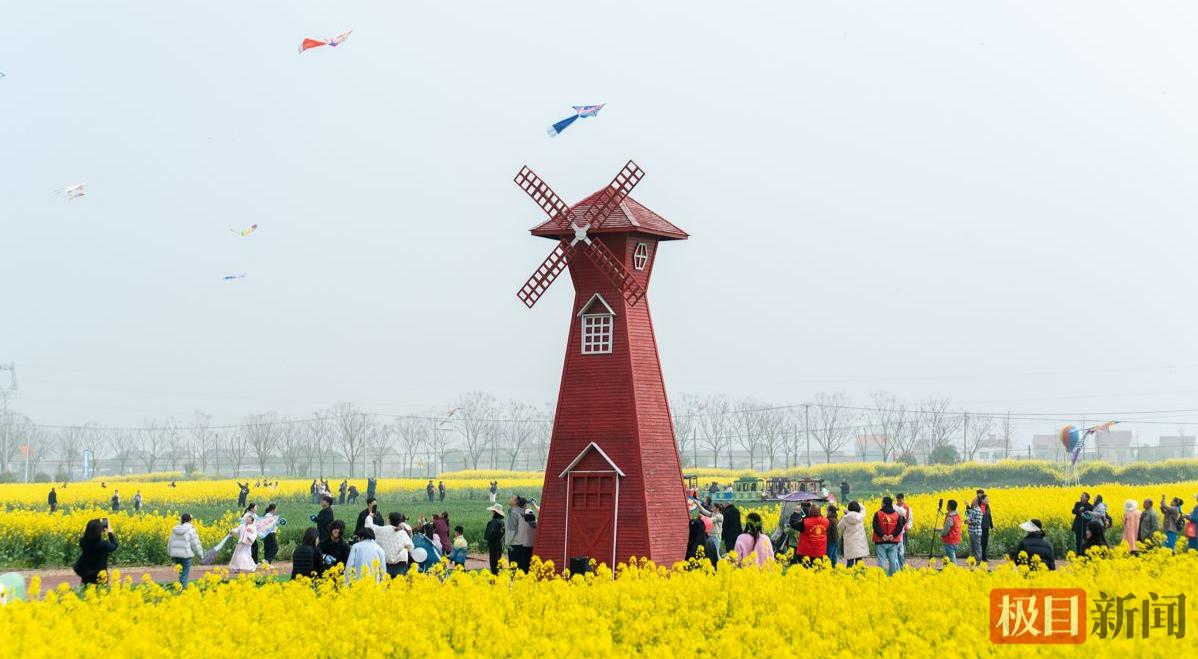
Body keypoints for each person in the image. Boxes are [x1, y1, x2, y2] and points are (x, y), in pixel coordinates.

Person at [366, 512, 415, 577]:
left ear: (389, 520)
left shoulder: (381, 530)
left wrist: (370, 516)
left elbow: (369, 526)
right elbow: (411, 548)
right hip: (400, 565)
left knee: (385, 582)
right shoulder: (402, 533)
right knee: (399, 583)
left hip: (384, 564)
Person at [75, 519, 118, 586]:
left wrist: (92, 529)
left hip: (86, 576)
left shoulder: (83, 542)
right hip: (100, 576)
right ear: (99, 531)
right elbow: (114, 545)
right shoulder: (103, 545)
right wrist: (110, 532)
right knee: (101, 591)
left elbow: (86, 537)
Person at [167, 513, 205, 587]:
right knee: (184, 574)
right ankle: (184, 590)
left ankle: (179, 588)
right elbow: (196, 544)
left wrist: (170, 554)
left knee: (181, 573)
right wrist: (201, 555)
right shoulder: (191, 530)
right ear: (190, 520)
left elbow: (170, 543)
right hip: (186, 556)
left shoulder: (175, 530)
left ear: (182, 520)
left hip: (176, 555)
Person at [873, 496, 904, 576]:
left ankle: (880, 578)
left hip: (880, 541)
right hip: (893, 542)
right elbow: (900, 527)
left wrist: (882, 535)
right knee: (893, 561)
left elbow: (875, 526)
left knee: (881, 561)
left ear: (883, 504)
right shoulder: (896, 514)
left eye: (882, 502)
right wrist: (893, 535)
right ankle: (892, 578)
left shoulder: (878, 513)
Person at [837, 501, 868, 567]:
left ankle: (849, 573)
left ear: (849, 508)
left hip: (850, 543)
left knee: (850, 562)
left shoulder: (846, 518)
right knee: (859, 563)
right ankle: (859, 573)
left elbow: (839, 527)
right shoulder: (861, 516)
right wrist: (857, 503)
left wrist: (846, 513)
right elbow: (863, 508)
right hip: (860, 543)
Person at [512, 500, 539, 573]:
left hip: (524, 547)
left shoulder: (523, 523)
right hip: (534, 547)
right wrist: (535, 506)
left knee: (524, 565)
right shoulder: (537, 524)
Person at [484, 504, 506, 575]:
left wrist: (488, 538)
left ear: (495, 512)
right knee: (498, 561)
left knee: (493, 563)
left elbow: (487, 535)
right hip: (499, 544)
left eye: (493, 511)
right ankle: (499, 576)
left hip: (493, 545)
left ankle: (494, 577)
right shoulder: (502, 522)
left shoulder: (492, 523)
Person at [940, 499, 962, 565]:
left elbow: (946, 531)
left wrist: (941, 534)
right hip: (956, 539)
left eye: (947, 505)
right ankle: (947, 570)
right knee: (948, 558)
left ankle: (954, 570)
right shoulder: (957, 516)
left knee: (951, 559)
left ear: (949, 507)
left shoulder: (950, 517)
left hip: (949, 540)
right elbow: (953, 527)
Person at [966, 497, 984, 562]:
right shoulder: (974, 509)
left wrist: (969, 522)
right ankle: (973, 561)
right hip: (972, 532)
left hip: (975, 532)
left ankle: (978, 561)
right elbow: (969, 514)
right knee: (973, 548)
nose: (972, 500)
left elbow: (978, 522)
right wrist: (967, 506)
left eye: (974, 500)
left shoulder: (977, 510)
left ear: (976, 502)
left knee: (977, 548)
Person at [895, 493, 913, 560]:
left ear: (903, 499)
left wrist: (907, 527)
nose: (899, 502)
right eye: (897, 500)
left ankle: (902, 561)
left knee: (902, 548)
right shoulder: (894, 507)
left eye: (900, 500)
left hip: (903, 530)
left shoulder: (908, 508)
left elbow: (910, 519)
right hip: (895, 530)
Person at [978, 493, 994, 560]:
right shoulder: (978, 507)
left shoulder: (987, 506)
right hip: (980, 527)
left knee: (985, 543)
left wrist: (992, 527)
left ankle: (984, 557)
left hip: (986, 527)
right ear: (982, 500)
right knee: (980, 542)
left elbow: (990, 516)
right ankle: (980, 557)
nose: (988, 500)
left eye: (988, 499)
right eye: (986, 499)